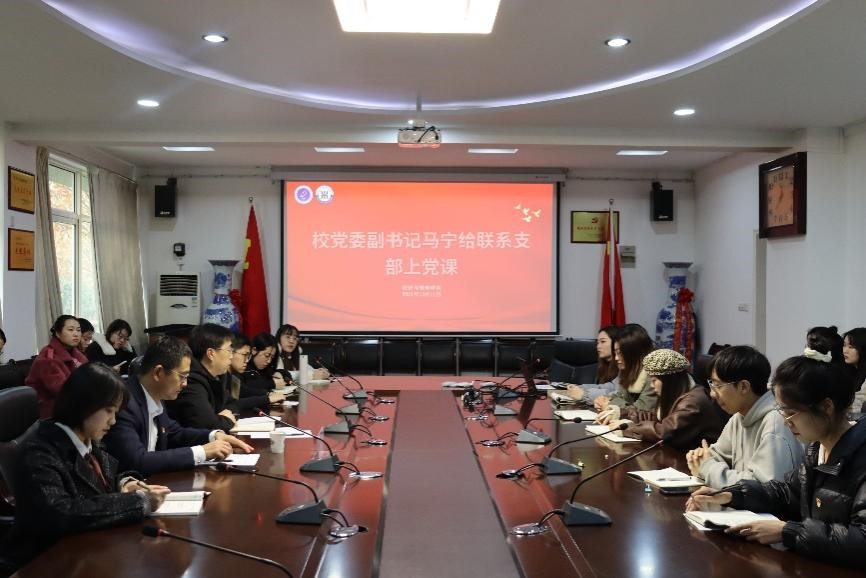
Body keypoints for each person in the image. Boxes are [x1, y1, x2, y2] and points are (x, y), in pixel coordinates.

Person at [687, 355, 866, 571]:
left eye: (790, 413)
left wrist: (787, 531)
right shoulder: (817, 448)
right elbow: (788, 492)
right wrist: (732, 495)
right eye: (781, 411)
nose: (784, 421)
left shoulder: (859, 456)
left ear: (826, 407)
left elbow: (861, 540)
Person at [3, 363, 170, 570]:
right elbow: (61, 513)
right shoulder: (39, 452)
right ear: (84, 405)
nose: (113, 421)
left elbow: (106, 478)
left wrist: (125, 484)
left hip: (87, 548)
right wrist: (138, 501)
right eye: (109, 411)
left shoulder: (87, 438)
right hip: (44, 561)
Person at [103, 336, 252, 475]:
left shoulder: (155, 394)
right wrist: (202, 452)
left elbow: (174, 433)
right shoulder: (124, 402)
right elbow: (137, 460)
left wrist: (213, 436)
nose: (185, 383)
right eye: (182, 376)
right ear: (158, 373)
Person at [685, 345, 803, 488]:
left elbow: (764, 487)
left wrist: (707, 469)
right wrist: (700, 458)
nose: (712, 394)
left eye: (718, 385)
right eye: (711, 384)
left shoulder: (775, 422)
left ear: (744, 387)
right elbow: (717, 455)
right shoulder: (739, 415)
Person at [617, 349, 726, 450]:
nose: (651, 385)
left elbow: (664, 432)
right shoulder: (678, 393)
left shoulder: (692, 402)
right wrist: (621, 414)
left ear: (669, 381)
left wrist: (628, 428)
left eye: (654, 380)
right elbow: (658, 419)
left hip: (695, 459)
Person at [165, 323, 239, 431]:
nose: (231, 356)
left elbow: (233, 404)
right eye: (229, 350)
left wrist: (220, 417)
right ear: (211, 353)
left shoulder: (219, 376)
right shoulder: (191, 380)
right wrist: (225, 419)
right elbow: (207, 425)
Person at [586, 324, 657, 424]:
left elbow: (642, 412)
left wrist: (610, 404)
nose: (616, 358)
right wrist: (606, 399)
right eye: (615, 353)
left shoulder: (655, 373)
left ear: (633, 353)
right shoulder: (630, 368)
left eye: (620, 353)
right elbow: (620, 395)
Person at [25, 315, 89, 418]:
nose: (76, 334)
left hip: (72, 405)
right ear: (58, 333)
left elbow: (91, 376)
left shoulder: (76, 353)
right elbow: (64, 392)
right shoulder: (47, 358)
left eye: (78, 330)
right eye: (70, 330)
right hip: (48, 412)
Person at [228, 332, 284, 412]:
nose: (247, 360)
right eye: (244, 355)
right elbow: (233, 404)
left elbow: (244, 390)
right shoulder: (220, 377)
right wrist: (267, 399)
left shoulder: (229, 376)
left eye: (248, 356)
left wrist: (267, 395)